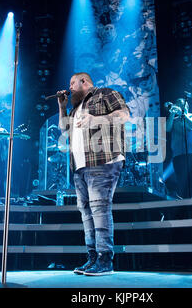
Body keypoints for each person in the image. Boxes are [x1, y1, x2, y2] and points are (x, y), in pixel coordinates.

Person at [57, 72, 130, 276]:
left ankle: (105, 259)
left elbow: (124, 115)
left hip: (103, 160)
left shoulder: (105, 93)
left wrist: (96, 119)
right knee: (86, 212)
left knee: (99, 208)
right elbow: (65, 131)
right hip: (80, 165)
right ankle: (93, 258)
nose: (69, 87)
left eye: (72, 83)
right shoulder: (74, 108)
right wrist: (62, 107)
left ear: (84, 81)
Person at [166, 98, 192, 199]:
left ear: (185, 106)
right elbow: (167, 128)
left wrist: (182, 114)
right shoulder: (174, 120)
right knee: (182, 181)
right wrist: (172, 114)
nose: (177, 106)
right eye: (176, 104)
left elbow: (191, 126)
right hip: (178, 154)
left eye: (179, 105)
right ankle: (185, 205)